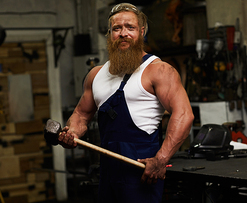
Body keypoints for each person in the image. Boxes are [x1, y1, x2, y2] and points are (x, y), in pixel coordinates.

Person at [58, 3, 194, 203]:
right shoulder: (96, 75)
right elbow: (81, 115)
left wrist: (161, 159)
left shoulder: (158, 70)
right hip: (107, 169)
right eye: (117, 29)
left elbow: (184, 115)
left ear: (141, 32)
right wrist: (72, 133)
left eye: (130, 27)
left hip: (142, 170)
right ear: (109, 34)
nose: (123, 33)